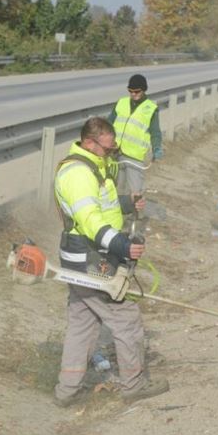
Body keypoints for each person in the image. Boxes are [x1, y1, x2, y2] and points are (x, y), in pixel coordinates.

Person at [53, 116, 169, 407]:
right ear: (89, 143)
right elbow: (90, 220)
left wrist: (126, 203)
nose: (111, 152)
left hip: (80, 257)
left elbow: (101, 204)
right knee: (125, 318)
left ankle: (67, 391)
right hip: (90, 259)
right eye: (107, 148)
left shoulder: (95, 165)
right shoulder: (78, 174)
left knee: (83, 323)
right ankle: (134, 385)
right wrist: (122, 245)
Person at [107, 74, 163, 198]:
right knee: (116, 189)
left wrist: (157, 148)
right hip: (115, 153)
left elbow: (155, 132)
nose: (133, 94)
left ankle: (136, 210)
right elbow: (108, 124)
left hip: (134, 157)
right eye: (130, 91)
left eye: (137, 91)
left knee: (135, 191)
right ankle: (119, 209)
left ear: (143, 90)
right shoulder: (121, 103)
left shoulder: (151, 109)